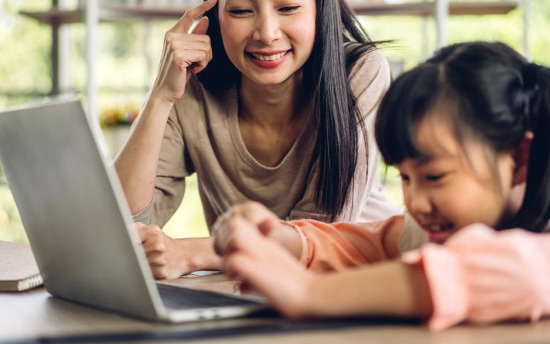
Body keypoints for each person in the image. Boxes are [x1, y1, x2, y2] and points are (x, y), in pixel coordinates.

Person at [114, 0, 398, 279]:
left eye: (288, 8)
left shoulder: (360, 73)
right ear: (215, 17)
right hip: (249, 293)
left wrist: (193, 253)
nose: (266, 33)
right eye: (241, 10)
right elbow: (126, 221)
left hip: (358, 286)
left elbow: (321, 233)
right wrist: (160, 97)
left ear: (319, 7)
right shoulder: (193, 83)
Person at [213, 41, 550, 330]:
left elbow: (517, 271)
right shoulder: (437, 225)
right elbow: (373, 242)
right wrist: (286, 240)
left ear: (518, 158)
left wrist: (308, 293)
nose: (416, 203)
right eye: (404, 177)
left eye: (434, 177)